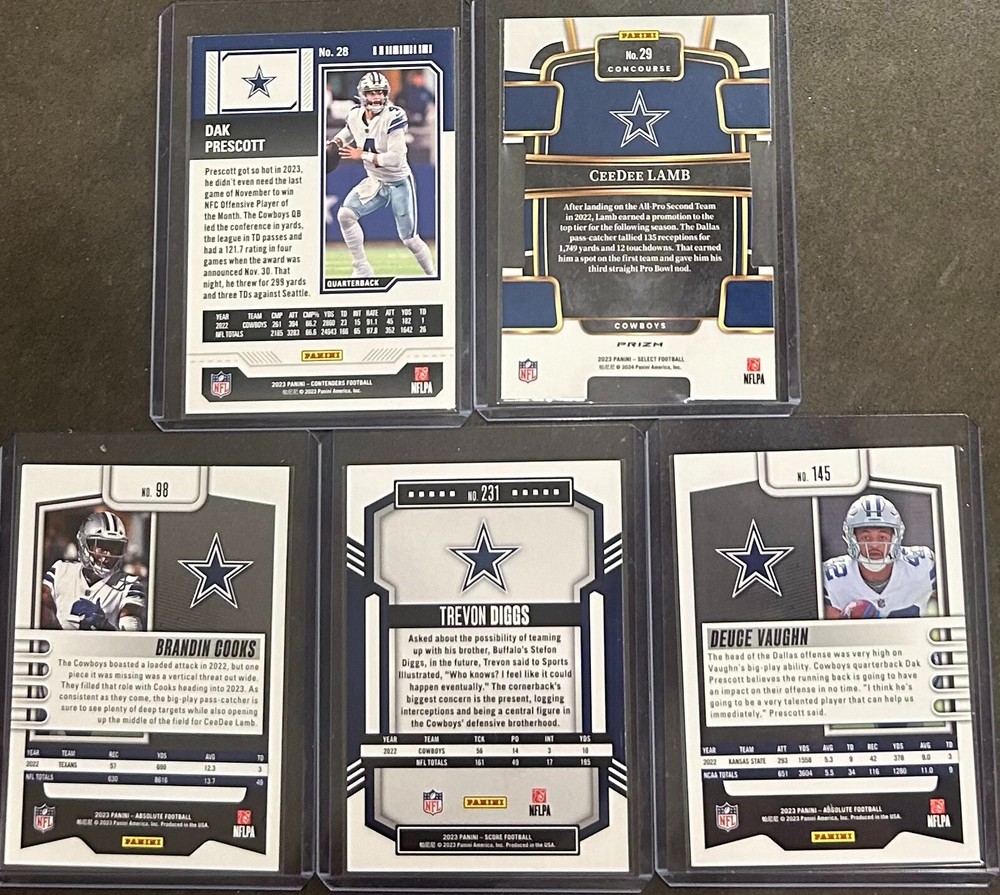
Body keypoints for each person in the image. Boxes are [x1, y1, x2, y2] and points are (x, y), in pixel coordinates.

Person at [328, 71, 435, 278]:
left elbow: (395, 158)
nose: (377, 97)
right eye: (372, 93)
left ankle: (431, 275)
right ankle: (361, 267)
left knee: (410, 240)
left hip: (398, 181)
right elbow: (348, 132)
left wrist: (362, 155)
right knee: (345, 215)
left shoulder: (394, 116)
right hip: (375, 181)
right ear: (362, 95)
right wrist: (335, 143)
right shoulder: (355, 115)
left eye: (380, 92)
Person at [823, 495, 935, 619]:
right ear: (852, 538)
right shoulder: (830, 577)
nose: (874, 545)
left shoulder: (923, 564)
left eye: (882, 537)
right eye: (866, 537)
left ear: (894, 537)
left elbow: (952, 597)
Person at [39, 511, 146, 631]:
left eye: (114, 547)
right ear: (85, 544)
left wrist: (104, 625)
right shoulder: (60, 570)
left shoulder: (130, 585)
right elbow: (41, 612)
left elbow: (131, 630)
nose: (108, 554)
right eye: (101, 546)